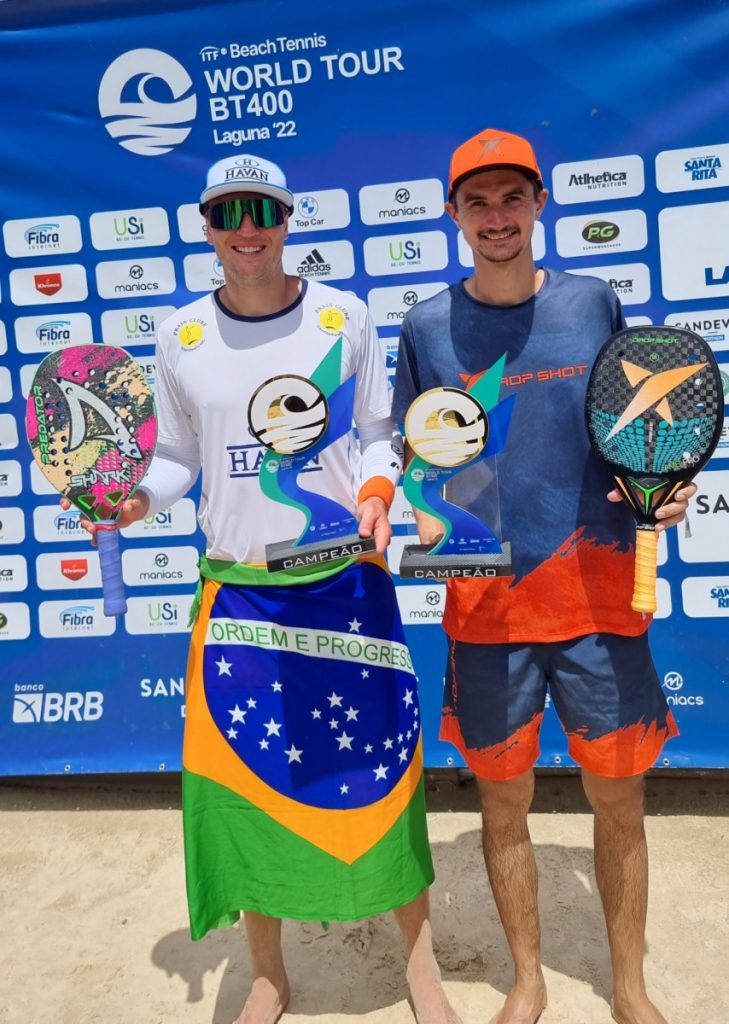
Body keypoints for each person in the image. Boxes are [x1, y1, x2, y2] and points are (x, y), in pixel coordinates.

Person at [72, 154, 460, 1024]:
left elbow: (374, 436)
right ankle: (269, 977)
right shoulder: (180, 336)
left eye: (263, 210)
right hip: (241, 599)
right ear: (206, 226)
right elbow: (176, 459)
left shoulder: (341, 315)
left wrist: (374, 492)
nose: (247, 227)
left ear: (288, 220)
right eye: (227, 211)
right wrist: (137, 499)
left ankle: (422, 968)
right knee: (247, 787)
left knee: (384, 775)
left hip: (343, 588)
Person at [392, 128, 695, 1024]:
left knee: (618, 800)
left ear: (539, 205)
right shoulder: (424, 327)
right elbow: (418, 458)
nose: (497, 217)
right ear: (452, 214)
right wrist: (416, 507)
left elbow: (649, 425)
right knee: (503, 804)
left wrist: (663, 491)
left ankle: (627, 985)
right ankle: (525, 980)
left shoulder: (593, 302)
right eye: (477, 201)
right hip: (484, 607)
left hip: (599, 602)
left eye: (511, 198)